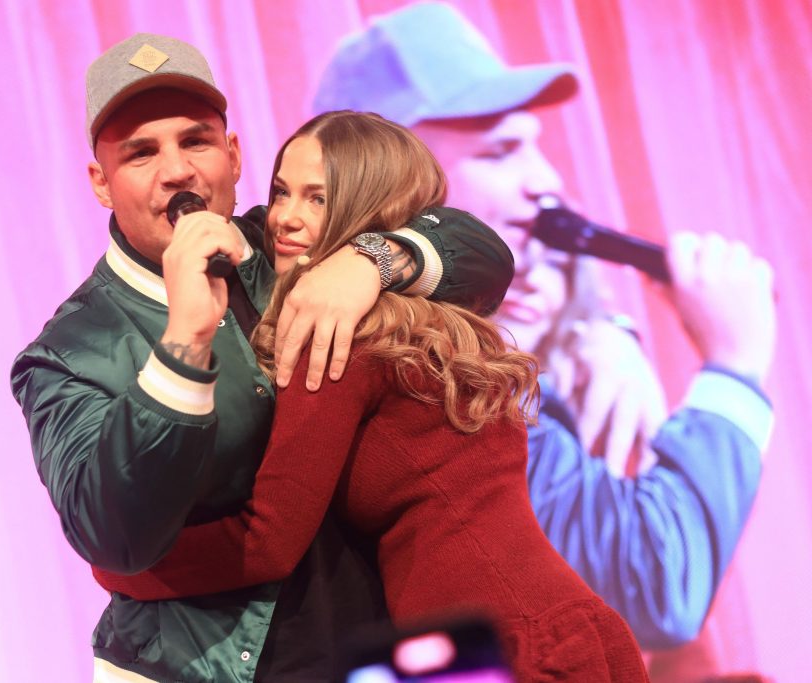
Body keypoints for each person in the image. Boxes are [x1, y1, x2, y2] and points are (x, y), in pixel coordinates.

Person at [10, 33, 515, 683]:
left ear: (234, 155)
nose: (176, 171)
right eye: (141, 152)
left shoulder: (292, 245)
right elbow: (112, 535)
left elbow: (483, 254)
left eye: (195, 142)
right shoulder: (67, 352)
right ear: (101, 184)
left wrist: (374, 261)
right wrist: (184, 342)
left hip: (377, 650)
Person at [99, 110, 650, 682]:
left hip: (506, 648)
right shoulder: (427, 321)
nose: (285, 217)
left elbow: (267, 542)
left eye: (318, 199)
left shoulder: (340, 336)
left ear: (365, 212)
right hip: (544, 627)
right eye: (282, 191)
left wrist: (125, 570)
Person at [311, 0, 776, 650]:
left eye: (536, 146)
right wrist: (735, 364)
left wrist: (599, 334)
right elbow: (656, 583)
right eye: (501, 151)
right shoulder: (429, 382)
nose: (547, 180)